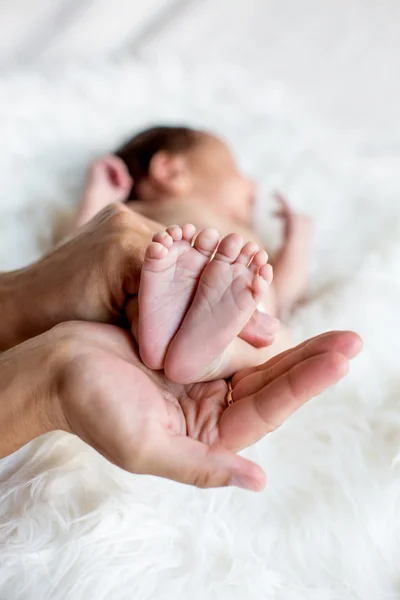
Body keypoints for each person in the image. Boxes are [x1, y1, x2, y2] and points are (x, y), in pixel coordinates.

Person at [0, 203, 362, 490]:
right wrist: (298, 241)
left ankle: (165, 335)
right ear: (169, 168)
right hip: (231, 299)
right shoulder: (215, 220)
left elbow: (74, 240)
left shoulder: (140, 213)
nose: (251, 190)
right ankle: (207, 357)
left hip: (150, 286)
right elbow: (287, 289)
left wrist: (99, 188)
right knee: (270, 337)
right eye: (242, 186)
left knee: (149, 303)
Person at [71, 125, 313, 362]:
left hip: (240, 329)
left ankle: (202, 353)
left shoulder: (249, 238)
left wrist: (297, 243)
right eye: (234, 168)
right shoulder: (132, 214)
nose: (254, 185)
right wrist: (98, 198)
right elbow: (77, 256)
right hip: (161, 306)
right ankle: (197, 348)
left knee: (275, 335)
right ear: (170, 171)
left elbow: (282, 298)